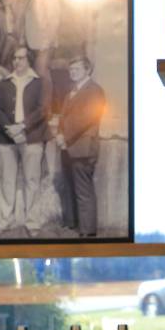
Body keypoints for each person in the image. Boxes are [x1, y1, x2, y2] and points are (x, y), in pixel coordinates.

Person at [0, 46, 50, 234]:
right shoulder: (4, 83)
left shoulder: (39, 83)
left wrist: (22, 126)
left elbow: (43, 110)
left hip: (31, 138)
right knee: (7, 181)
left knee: (32, 181)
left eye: (21, 58)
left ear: (29, 60)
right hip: (7, 138)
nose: (17, 62)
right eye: (15, 58)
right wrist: (9, 129)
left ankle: (32, 222)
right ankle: (5, 220)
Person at [54, 56, 105, 237]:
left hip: (83, 147)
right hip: (68, 146)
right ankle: (72, 223)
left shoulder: (95, 91)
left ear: (87, 70)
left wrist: (64, 136)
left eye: (77, 69)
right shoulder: (71, 92)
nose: (72, 72)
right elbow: (63, 118)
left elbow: (86, 118)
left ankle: (87, 231)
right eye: (71, 69)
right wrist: (60, 135)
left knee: (83, 191)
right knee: (69, 187)